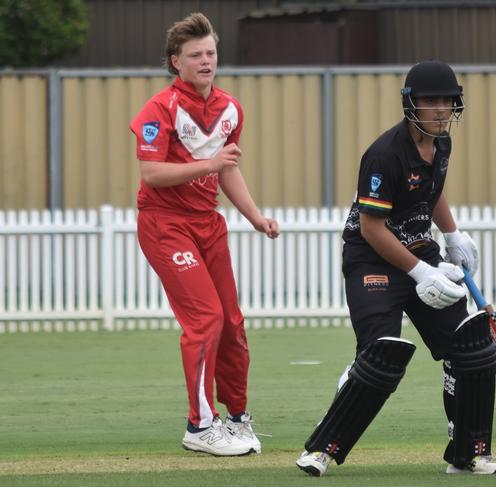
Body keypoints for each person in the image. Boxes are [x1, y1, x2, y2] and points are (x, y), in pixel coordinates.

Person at [295, 60, 496, 476]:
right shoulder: (383, 154)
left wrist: (452, 235)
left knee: (472, 345)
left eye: (448, 101)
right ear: (411, 104)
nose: (441, 109)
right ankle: (322, 447)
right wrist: (422, 273)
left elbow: (433, 191)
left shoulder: (441, 143)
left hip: (419, 250)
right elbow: (372, 228)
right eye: (431, 101)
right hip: (371, 258)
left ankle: (469, 453)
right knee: (382, 355)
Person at [129, 12, 279, 457]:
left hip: (208, 225)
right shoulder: (159, 108)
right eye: (195, 55)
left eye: (210, 52)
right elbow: (152, 173)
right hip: (164, 224)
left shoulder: (231, 109)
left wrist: (254, 216)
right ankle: (199, 424)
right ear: (177, 62)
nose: (205, 60)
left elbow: (228, 171)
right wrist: (211, 165)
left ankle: (236, 419)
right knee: (205, 319)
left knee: (232, 323)